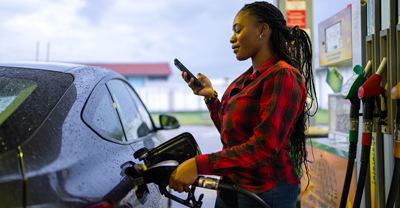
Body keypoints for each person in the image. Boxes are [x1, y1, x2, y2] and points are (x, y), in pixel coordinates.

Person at [169, 1, 317, 208]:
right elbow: (231, 135)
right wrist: (211, 98)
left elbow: (264, 147)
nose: (232, 38)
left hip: (267, 189)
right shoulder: (244, 79)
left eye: (238, 30)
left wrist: (199, 164)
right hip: (232, 184)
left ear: (263, 30)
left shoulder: (283, 75)